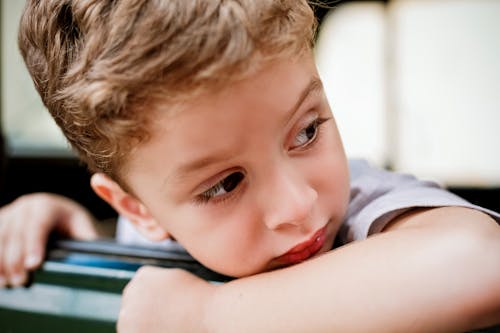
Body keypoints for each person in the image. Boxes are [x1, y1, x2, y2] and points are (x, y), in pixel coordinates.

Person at [2, 0, 500, 332]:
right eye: (226, 184)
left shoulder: (365, 210)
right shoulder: (149, 228)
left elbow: (482, 261)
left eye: (306, 132)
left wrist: (210, 316)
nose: (299, 204)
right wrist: (73, 241)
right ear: (138, 210)